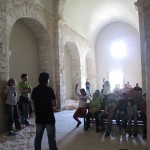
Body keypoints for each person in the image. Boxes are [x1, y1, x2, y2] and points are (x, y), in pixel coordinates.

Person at [31, 72, 58, 150]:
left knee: (38, 137)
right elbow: (54, 103)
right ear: (47, 80)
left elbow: (33, 101)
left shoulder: (35, 89)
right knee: (51, 137)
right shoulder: (49, 90)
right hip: (49, 116)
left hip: (39, 116)